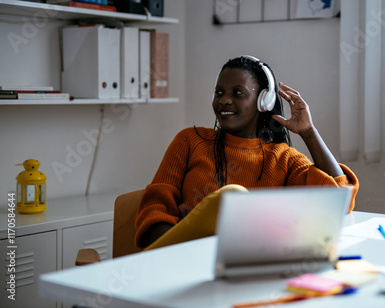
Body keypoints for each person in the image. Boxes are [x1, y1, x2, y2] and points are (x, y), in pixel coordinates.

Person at [134, 55, 359, 250]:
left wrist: (309, 133)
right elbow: (156, 208)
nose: (224, 100)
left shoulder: (283, 159)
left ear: (264, 101)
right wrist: (180, 252)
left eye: (238, 93)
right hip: (180, 258)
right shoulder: (190, 141)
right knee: (231, 196)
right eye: (219, 92)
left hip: (242, 269)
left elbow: (339, 200)